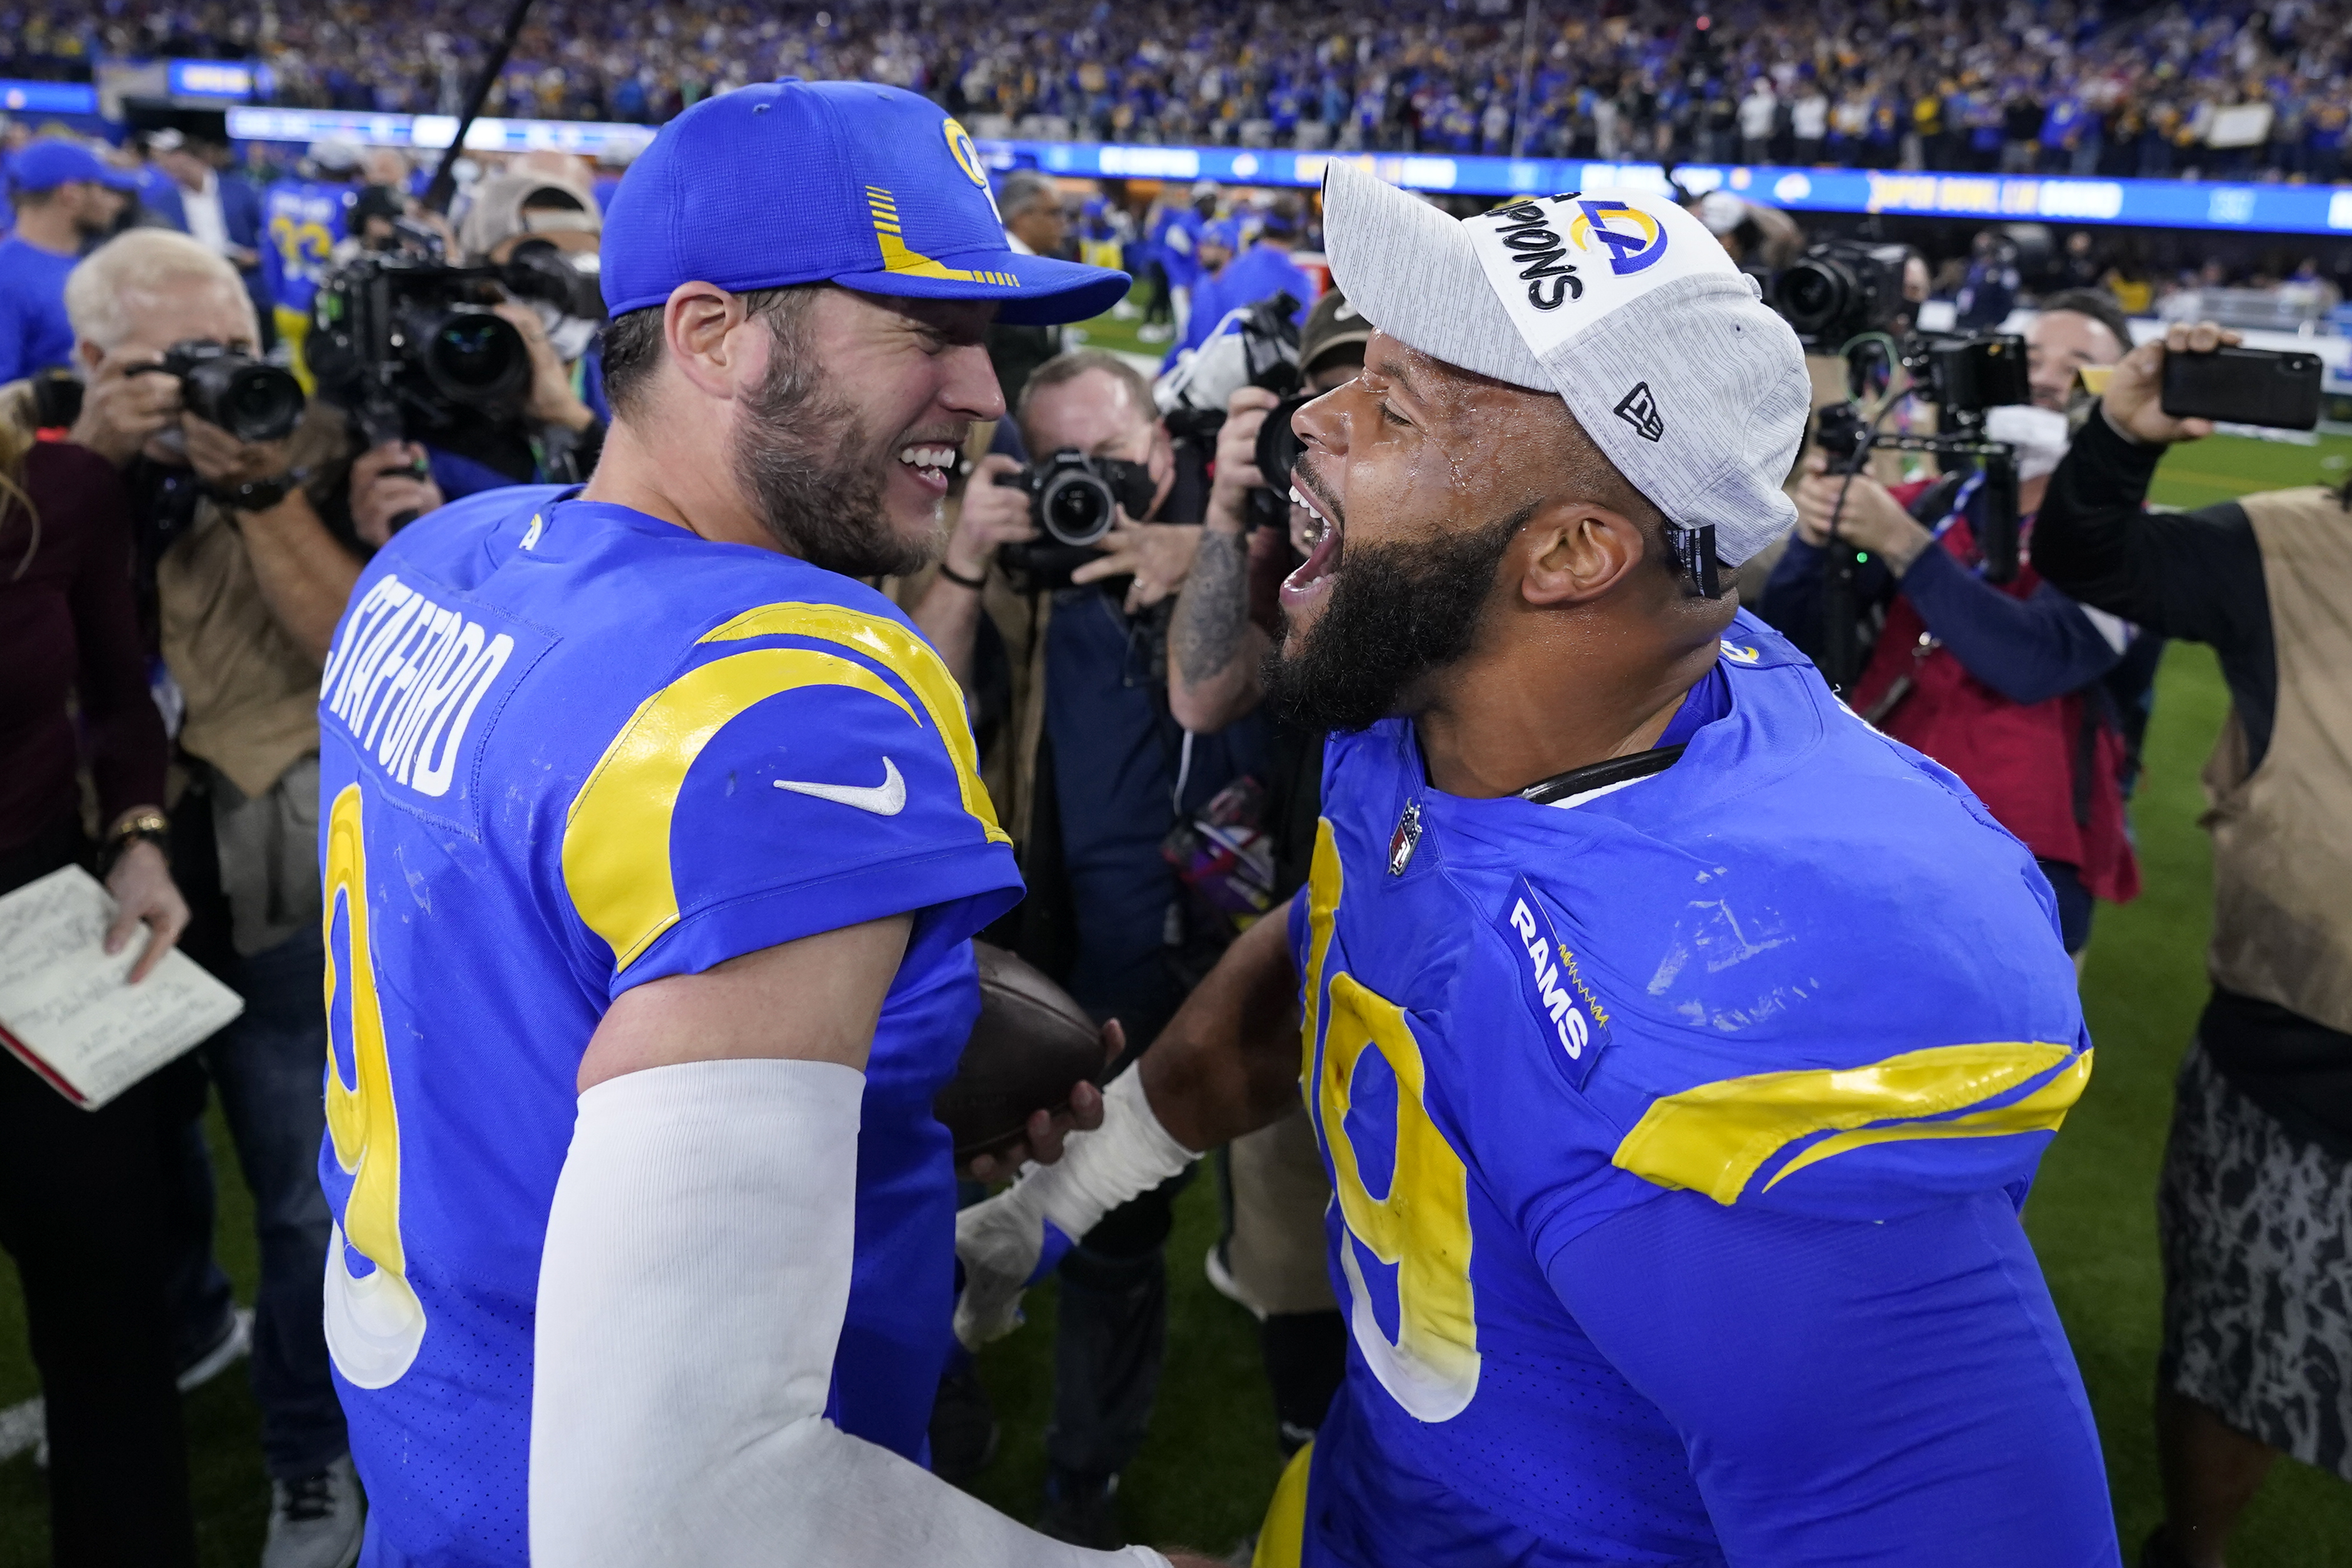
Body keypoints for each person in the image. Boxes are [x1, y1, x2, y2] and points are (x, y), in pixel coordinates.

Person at [955, 168, 2118, 1566]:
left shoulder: (1747, 1012)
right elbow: (1343, 943)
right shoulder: (1464, 695)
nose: (1311, 424)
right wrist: (1065, 1195)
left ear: (1572, 551)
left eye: (1394, 407)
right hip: (1366, 1497)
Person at [310, 79, 1215, 1568]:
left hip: (445, 1468)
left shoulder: (447, 556)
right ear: (712, 332)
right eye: (925, 332)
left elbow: (536, 999)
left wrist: (877, 1091)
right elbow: (691, 1509)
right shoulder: (783, 688)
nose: (984, 394)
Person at [52, 227, 409, 1568]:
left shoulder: (307, 437)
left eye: (238, 355)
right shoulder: (39, 452)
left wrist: (269, 488)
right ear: (90, 361)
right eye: (171, 365)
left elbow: (356, 651)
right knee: (128, 1158)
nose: (216, 382)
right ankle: (193, 1329)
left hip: (272, 853)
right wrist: (90, 456)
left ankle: (312, 1457)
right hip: (100, 858)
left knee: (304, 1187)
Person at [909, 347, 1267, 1546]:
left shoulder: (1212, 567)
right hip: (985, 961)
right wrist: (968, 560)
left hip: (1142, 965)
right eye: (1057, 465)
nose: (1089, 494)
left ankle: (1085, 1479)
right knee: (919, 1208)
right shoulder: (987, 568)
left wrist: (1199, 553)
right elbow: (908, 720)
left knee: (1112, 1238)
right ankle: (929, 1415)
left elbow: (1216, 699)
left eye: (1110, 466)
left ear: (1163, 458)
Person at [2032, 320, 2352, 1568]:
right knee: (2235, 1349)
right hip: (2297, 1062)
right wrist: (2121, 436)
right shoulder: (2289, 543)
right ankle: (2196, 1549)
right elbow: (2087, 554)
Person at [1760, 290, 2146, 959]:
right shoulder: (1936, 501)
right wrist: (1816, 540)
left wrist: (1903, 545)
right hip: (1872, 817)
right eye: (2032, 357)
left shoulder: (2135, 538)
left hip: (2023, 852)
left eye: (2079, 364)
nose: (2048, 377)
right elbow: (1796, 641)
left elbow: (2033, 662)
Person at [0, 350, 202, 1568]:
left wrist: (138, 841)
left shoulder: (63, 493)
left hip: (41, 932)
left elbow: (124, 706)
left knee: (108, 1322)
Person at [1164, 287, 1373, 1462]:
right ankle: (1308, 1432)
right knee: (1292, 1229)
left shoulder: (1448, 554)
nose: (1338, 432)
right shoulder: (1278, 554)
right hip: (1307, 950)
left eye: (1373, 400)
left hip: (1439, 963)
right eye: (1323, 400)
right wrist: (1230, 508)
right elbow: (1204, 691)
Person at [0, 140, 134, 383]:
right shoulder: (8, 278)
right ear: (70, 194)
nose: (112, 204)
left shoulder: (90, 265)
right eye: (102, 190)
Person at [987, 169, 1072, 412]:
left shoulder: (1043, 265)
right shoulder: (995, 273)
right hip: (999, 423)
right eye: (1054, 213)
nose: (1063, 222)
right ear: (1022, 217)